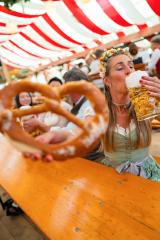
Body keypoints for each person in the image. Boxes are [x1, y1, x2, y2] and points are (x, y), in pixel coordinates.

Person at [98, 47, 160, 181]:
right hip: (112, 174)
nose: (129, 71)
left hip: (147, 173)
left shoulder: (147, 103)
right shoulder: (98, 111)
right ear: (107, 81)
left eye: (131, 66)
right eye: (120, 68)